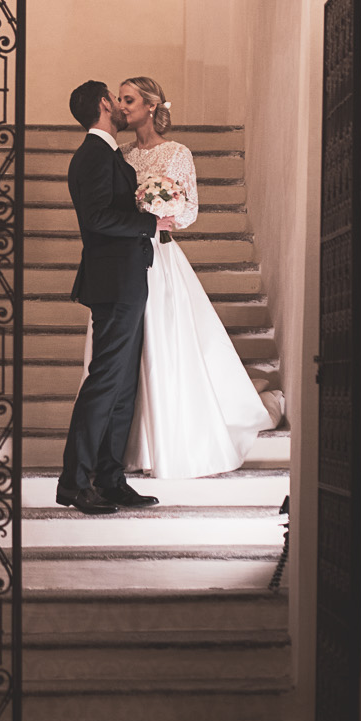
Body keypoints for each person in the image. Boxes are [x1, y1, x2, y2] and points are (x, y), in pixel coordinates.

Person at [112, 75, 274, 479]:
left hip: (161, 256)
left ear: (151, 105)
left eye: (129, 99)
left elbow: (190, 210)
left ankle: (172, 439)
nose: (121, 106)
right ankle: (137, 443)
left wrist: (162, 214)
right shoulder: (122, 155)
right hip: (127, 257)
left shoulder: (177, 153)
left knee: (165, 344)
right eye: (119, 99)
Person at [56, 78, 173, 514]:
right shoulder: (93, 156)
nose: (123, 108)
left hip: (126, 280)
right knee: (105, 383)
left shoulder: (107, 155)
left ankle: (109, 479)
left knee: (122, 387)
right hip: (114, 283)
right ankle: (73, 482)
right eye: (117, 100)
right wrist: (150, 224)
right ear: (105, 104)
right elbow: (99, 217)